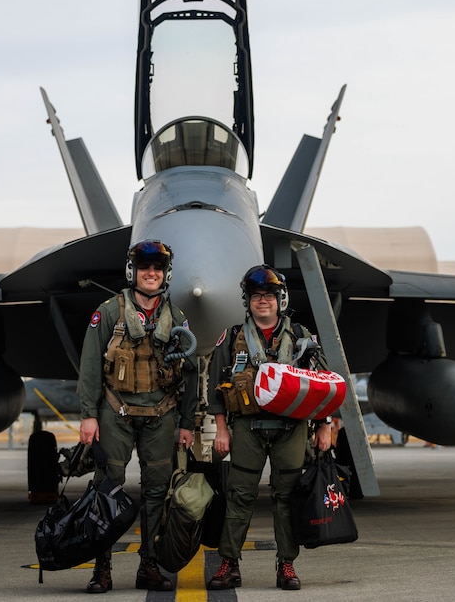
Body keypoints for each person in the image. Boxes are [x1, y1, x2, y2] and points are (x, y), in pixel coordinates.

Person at [77, 240, 198, 594]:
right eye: (145, 267)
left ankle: (149, 565)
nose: (151, 273)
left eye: (157, 268)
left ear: (165, 274)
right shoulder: (109, 312)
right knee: (107, 489)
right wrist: (88, 415)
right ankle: (102, 568)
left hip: (161, 415)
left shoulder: (176, 319)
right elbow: (89, 365)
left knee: (157, 492)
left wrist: (187, 423)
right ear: (133, 271)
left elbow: (191, 371)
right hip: (115, 412)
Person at [205, 265, 333, 592]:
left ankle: (286, 564)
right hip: (248, 427)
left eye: (269, 296)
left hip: (291, 429)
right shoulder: (232, 337)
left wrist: (324, 426)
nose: (263, 302)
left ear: (280, 300)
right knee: (239, 496)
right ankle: (229, 564)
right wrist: (221, 429)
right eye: (257, 296)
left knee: (287, 497)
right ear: (248, 301)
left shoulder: (302, 338)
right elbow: (215, 387)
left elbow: (322, 385)